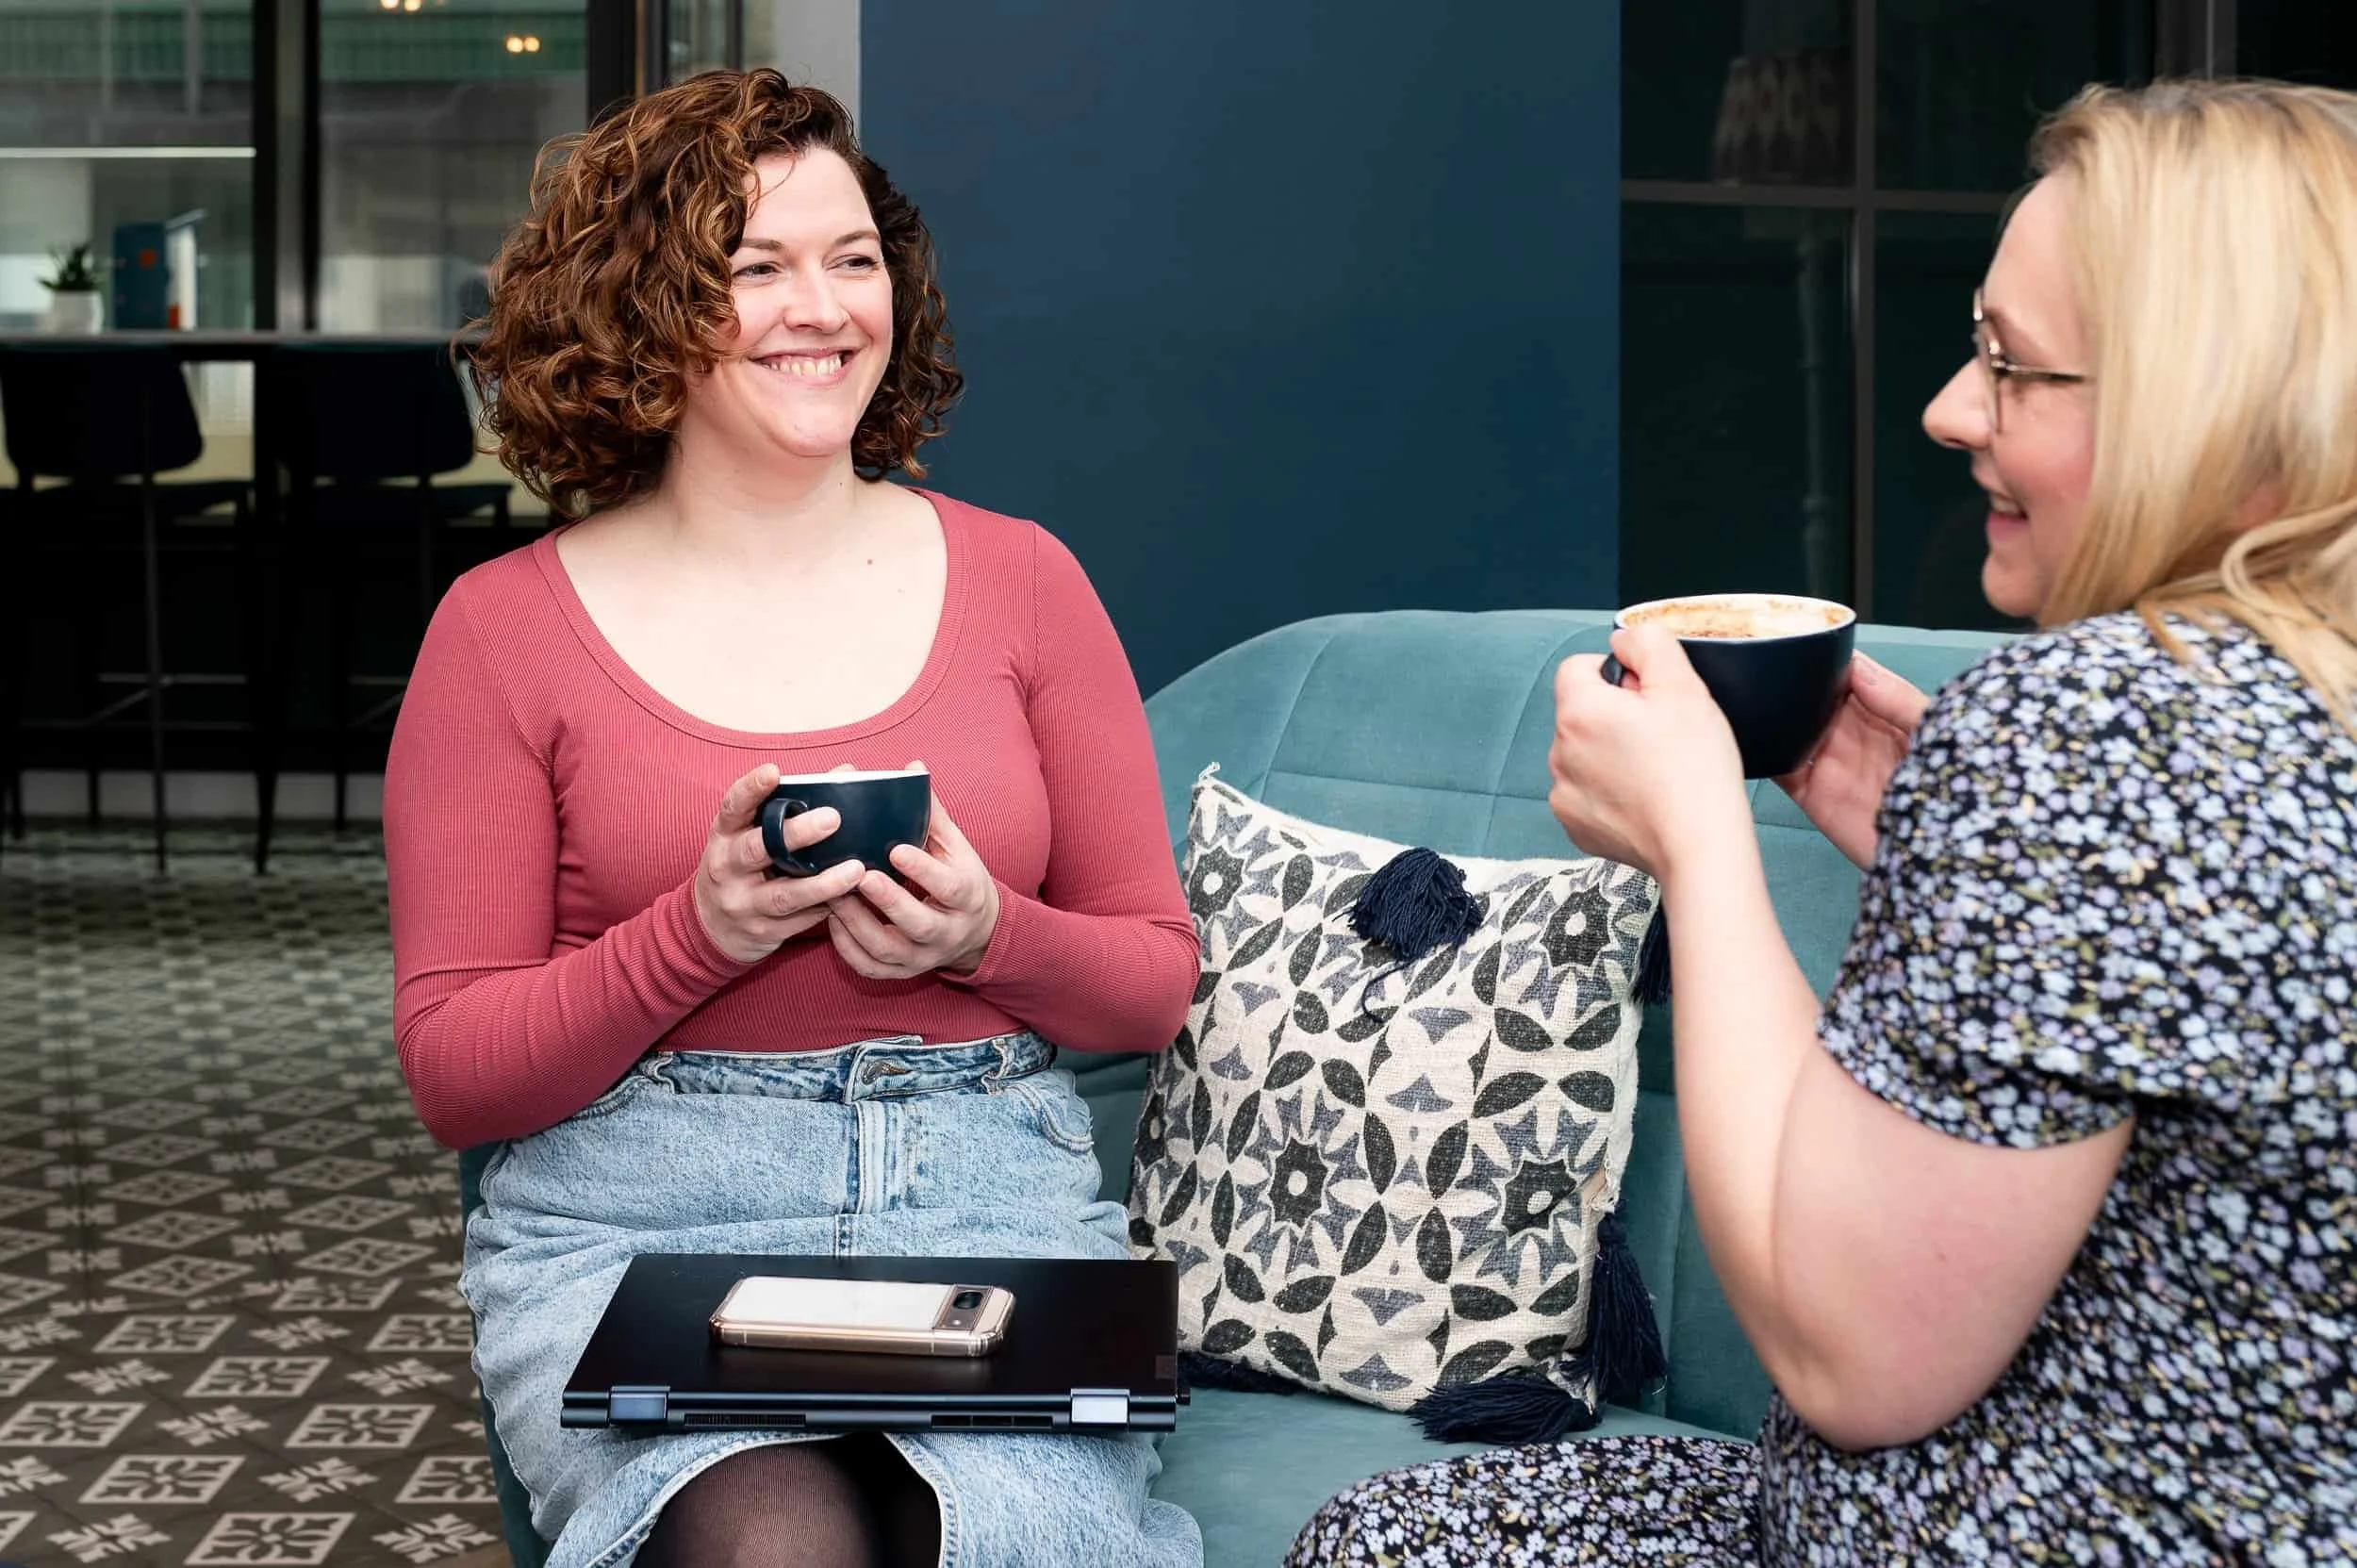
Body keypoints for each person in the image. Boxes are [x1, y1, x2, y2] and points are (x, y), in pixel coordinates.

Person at [1288, 77, 2357, 1567]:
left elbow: (1854, 1360)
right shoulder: (2272, 717)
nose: (1947, 410)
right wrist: (1956, 847)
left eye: (2014, 366)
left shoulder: (2093, 727)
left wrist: (1700, 843)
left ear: (2211, 406)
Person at [384, 72, 1204, 1568]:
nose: (818, 307)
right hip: (638, 1217)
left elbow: (1153, 980)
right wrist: (691, 937)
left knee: (1004, 1541)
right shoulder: (499, 632)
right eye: (753, 267)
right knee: (767, 1545)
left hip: (982, 1200)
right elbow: (456, 1073)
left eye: (851, 259)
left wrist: (988, 932)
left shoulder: (1028, 582)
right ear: (642, 310)